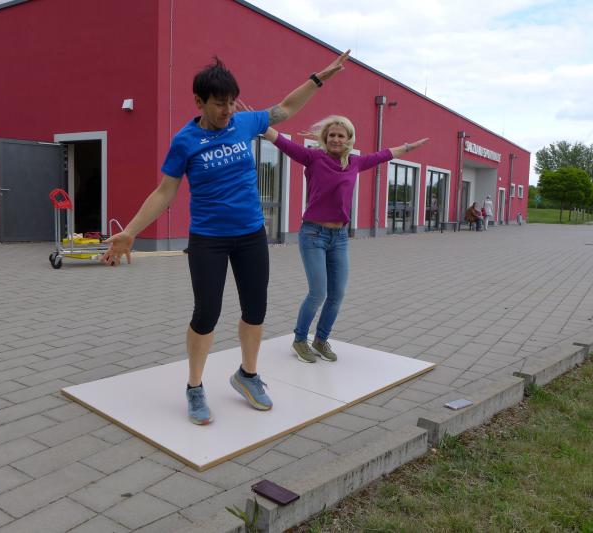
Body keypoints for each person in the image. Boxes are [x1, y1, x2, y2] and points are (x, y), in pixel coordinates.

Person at [100, 51, 350, 425]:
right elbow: (165, 191)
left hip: (251, 235)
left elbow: (284, 108)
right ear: (199, 102)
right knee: (206, 314)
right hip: (208, 239)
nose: (228, 111)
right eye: (220, 104)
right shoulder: (185, 141)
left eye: (232, 103)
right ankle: (194, 387)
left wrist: (318, 79)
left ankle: (247, 375)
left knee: (255, 309)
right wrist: (131, 231)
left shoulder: (244, 122)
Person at [260, 116, 427, 362]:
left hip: (339, 237)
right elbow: (284, 144)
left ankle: (320, 340)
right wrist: (260, 124)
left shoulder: (355, 163)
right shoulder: (313, 158)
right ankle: (300, 339)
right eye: (332, 135)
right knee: (318, 293)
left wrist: (408, 148)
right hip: (313, 234)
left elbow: (384, 155)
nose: (336, 139)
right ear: (325, 138)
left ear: (349, 139)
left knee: (337, 294)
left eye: (341, 135)